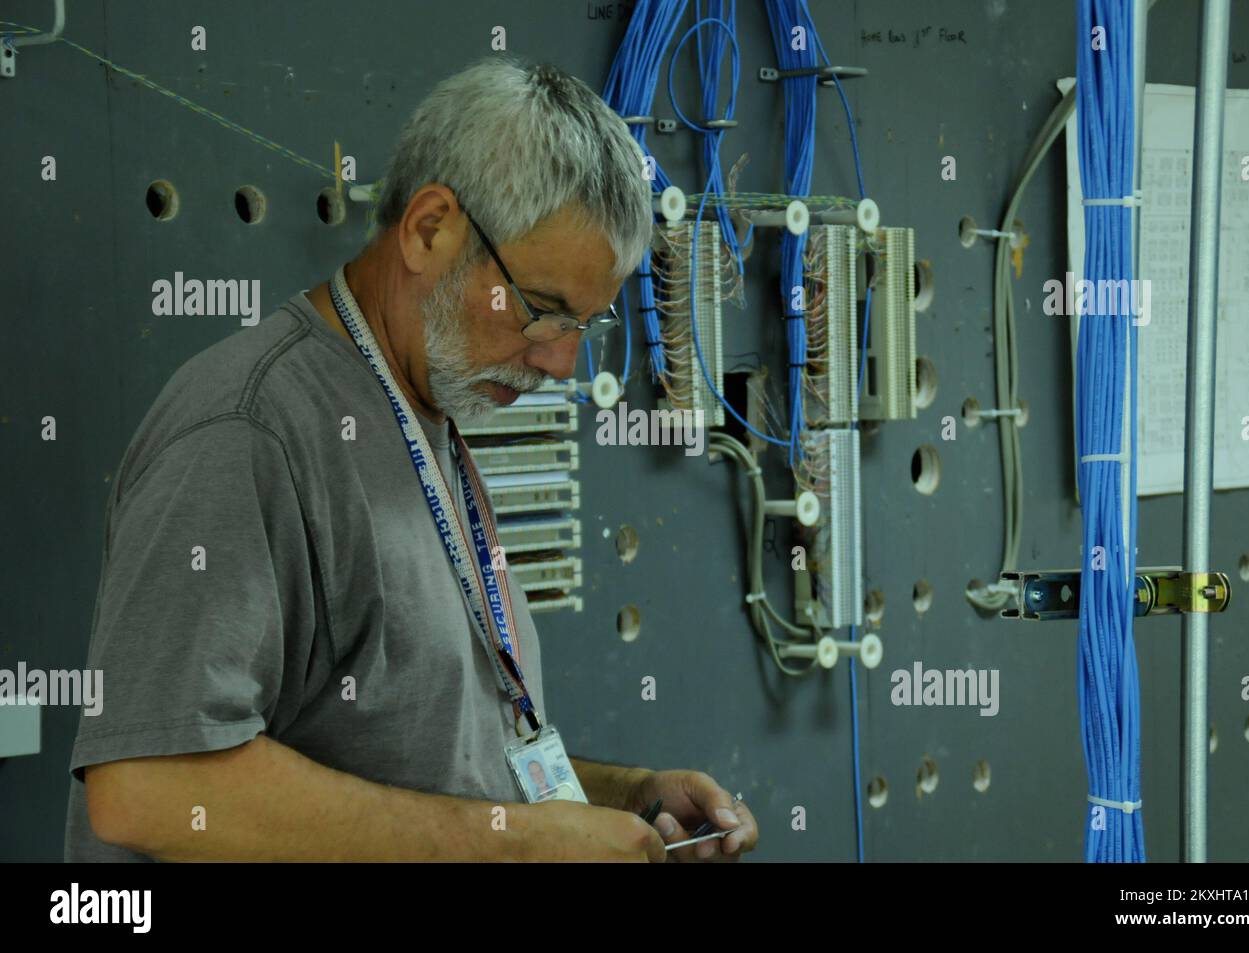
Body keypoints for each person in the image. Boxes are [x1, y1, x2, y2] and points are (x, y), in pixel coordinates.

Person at [65, 55, 758, 863]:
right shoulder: (250, 428)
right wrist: (518, 848)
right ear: (431, 229)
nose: (563, 363)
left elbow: (420, 759)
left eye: (589, 325)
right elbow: (149, 786)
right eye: (543, 312)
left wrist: (622, 797)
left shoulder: (425, 408)